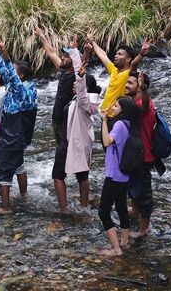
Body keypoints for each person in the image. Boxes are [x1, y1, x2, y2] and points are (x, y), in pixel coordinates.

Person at [0, 30, 37, 215]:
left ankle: (5, 207)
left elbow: (8, 71)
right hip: (19, 136)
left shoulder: (19, 90)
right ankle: (24, 195)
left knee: (3, 171)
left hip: (12, 135)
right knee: (19, 165)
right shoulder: (29, 89)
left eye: (14, 70)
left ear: (20, 76)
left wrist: (4, 52)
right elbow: (4, 68)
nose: (8, 71)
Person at [52, 41, 100, 213]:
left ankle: (64, 209)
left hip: (70, 142)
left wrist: (83, 55)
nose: (75, 83)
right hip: (78, 143)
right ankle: (84, 207)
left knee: (57, 175)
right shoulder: (84, 101)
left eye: (78, 83)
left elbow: (80, 86)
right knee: (82, 175)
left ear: (85, 87)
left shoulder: (84, 101)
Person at [98, 96, 141, 257]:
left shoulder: (119, 125)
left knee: (103, 211)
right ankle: (124, 242)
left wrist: (103, 121)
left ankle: (116, 249)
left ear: (124, 110)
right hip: (124, 175)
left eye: (116, 105)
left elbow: (107, 141)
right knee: (121, 206)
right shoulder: (130, 125)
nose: (113, 107)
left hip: (114, 174)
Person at [87, 33, 151, 122]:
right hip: (105, 115)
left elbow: (134, 64)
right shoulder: (114, 70)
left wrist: (141, 54)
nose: (116, 56)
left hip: (117, 117)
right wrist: (92, 41)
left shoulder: (128, 74)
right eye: (116, 54)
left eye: (120, 54)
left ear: (128, 59)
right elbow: (103, 55)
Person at [125, 71, 156, 238]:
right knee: (133, 184)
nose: (126, 85)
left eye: (130, 83)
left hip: (144, 156)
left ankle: (144, 229)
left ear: (139, 86)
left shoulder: (144, 103)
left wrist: (144, 90)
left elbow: (144, 105)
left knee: (144, 192)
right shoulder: (133, 102)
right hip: (135, 154)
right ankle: (135, 211)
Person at [34, 27, 76, 144]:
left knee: (66, 150)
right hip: (56, 118)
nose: (63, 57)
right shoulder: (63, 70)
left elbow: (79, 63)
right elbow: (51, 53)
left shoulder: (77, 75)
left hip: (67, 120)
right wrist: (42, 36)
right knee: (60, 148)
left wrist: (76, 51)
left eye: (67, 56)